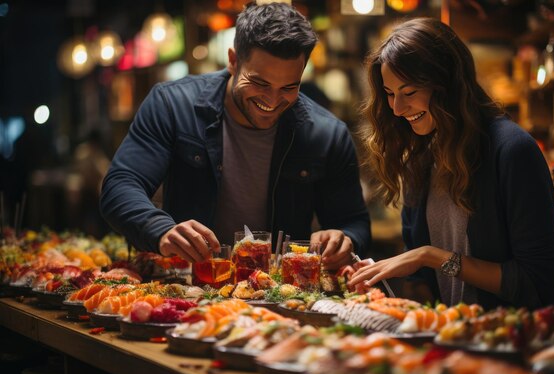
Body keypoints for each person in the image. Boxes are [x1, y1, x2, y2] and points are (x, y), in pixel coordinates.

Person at [99, 1, 370, 270]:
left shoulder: (328, 134)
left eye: (289, 87)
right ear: (232, 61)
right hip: (187, 286)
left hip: (279, 297)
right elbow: (120, 186)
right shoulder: (172, 104)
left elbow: (353, 222)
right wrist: (160, 229)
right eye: (259, 83)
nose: (273, 100)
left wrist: (344, 240)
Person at [348, 18, 554, 310]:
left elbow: (537, 281)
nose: (397, 108)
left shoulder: (513, 151)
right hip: (450, 342)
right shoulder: (419, 162)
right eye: (389, 93)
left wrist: (431, 257)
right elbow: (422, 281)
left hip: (509, 341)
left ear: (448, 85)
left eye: (409, 93)